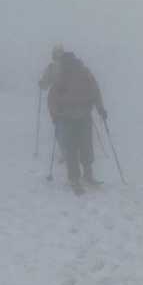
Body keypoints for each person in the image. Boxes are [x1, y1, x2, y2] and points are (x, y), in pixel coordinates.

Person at [46, 49, 106, 189]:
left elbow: (52, 99)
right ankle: (86, 175)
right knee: (85, 146)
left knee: (72, 148)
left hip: (67, 117)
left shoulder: (63, 75)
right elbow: (95, 90)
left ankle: (75, 178)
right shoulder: (83, 72)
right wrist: (100, 108)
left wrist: (55, 116)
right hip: (82, 115)